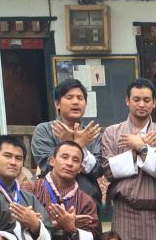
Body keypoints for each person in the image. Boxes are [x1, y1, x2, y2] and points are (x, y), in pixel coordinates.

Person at [102, 78, 156, 240]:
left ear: (154, 103)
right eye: (136, 99)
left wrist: (142, 148)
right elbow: (109, 170)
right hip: (125, 208)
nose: (141, 104)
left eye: (146, 100)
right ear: (127, 101)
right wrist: (138, 150)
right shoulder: (112, 132)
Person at [22, 139, 99, 240]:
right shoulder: (30, 189)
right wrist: (57, 225)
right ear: (52, 161)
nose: (69, 163)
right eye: (64, 157)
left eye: (75, 160)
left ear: (80, 169)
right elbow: (20, 224)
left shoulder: (86, 201)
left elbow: (92, 237)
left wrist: (72, 229)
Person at [31, 78, 104, 206]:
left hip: (88, 202)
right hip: (51, 201)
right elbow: (48, 166)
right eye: (69, 97)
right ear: (57, 104)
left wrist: (79, 143)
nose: (75, 102)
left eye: (80, 98)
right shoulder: (44, 130)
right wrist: (77, 145)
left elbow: (97, 170)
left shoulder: (93, 134)